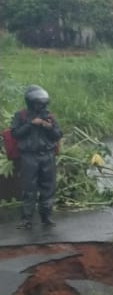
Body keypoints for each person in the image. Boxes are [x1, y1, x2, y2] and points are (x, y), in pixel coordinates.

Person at [11, 85, 62, 229]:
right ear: (30, 102)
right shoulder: (20, 116)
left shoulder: (49, 116)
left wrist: (48, 127)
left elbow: (58, 135)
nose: (39, 106)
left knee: (48, 187)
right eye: (37, 103)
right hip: (29, 156)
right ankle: (26, 219)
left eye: (42, 103)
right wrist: (31, 124)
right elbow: (15, 133)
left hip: (47, 155)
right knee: (29, 188)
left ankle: (46, 217)